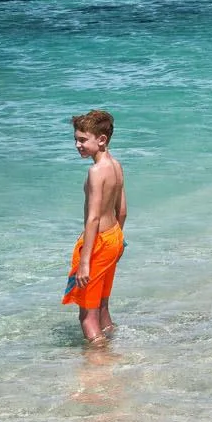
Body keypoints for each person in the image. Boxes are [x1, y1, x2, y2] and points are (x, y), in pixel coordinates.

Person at [63, 109, 127, 343]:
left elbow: (93, 219)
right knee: (102, 305)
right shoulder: (116, 166)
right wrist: (119, 242)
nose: (77, 145)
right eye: (75, 139)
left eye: (82, 140)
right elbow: (122, 211)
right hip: (113, 238)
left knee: (87, 315)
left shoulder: (95, 172)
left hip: (98, 244)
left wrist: (84, 262)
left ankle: (99, 362)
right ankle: (113, 341)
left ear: (101, 140)